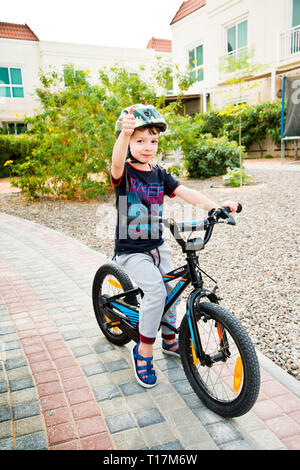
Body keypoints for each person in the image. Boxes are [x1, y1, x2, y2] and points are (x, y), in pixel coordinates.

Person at [111, 103, 239, 388]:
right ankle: (143, 351)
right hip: (131, 251)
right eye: (139, 140)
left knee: (174, 290)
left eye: (153, 141)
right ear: (129, 140)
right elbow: (117, 163)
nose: (147, 146)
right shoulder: (126, 175)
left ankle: (170, 338)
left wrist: (217, 206)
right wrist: (123, 134)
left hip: (157, 245)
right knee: (156, 292)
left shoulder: (158, 173)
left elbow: (187, 193)